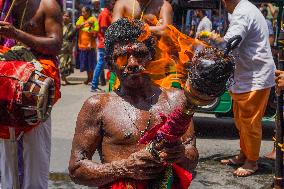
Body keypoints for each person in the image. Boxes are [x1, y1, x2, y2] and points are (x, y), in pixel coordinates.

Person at [69, 18, 200, 188]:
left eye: (139, 55)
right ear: (110, 63)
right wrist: (124, 168)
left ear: (152, 56)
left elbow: (192, 159)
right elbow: (76, 169)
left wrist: (180, 154)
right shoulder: (98, 105)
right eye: (122, 57)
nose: (132, 63)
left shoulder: (176, 99)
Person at [208, 0, 276, 177]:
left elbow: (230, 42)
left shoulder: (242, 12)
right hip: (246, 75)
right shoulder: (243, 8)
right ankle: (244, 154)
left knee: (250, 123)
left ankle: (252, 162)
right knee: (241, 121)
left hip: (255, 77)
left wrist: (213, 40)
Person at [0, 0, 62, 188]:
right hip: (5, 91)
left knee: (35, 160)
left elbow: (55, 44)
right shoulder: (4, 5)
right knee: (7, 162)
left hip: (34, 93)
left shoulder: (48, 5)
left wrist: (15, 33)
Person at [91, 0, 114, 92]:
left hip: (107, 43)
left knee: (110, 65)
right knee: (102, 64)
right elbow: (104, 29)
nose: (114, 4)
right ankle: (95, 85)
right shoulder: (105, 14)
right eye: (113, 3)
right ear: (108, 3)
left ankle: (111, 87)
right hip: (105, 44)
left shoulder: (108, 13)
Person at [76, 6, 99, 85]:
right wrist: (86, 23)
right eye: (82, 12)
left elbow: (96, 31)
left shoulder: (94, 19)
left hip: (90, 46)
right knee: (85, 64)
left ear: (88, 12)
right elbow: (77, 26)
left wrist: (91, 27)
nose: (82, 13)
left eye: (84, 12)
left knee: (91, 64)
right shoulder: (81, 18)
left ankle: (91, 79)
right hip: (82, 45)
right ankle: (89, 78)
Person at [59, 11, 75, 85]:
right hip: (60, 47)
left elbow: (73, 38)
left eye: (67, 16)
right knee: (62, 63)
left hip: (68, 47)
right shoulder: (59, 26)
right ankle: (62, 79)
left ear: (70, 18)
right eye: (64, 16)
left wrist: (72, 47)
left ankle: (64, 78)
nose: (65, 17)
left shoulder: (72, 26)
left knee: (67, 63)